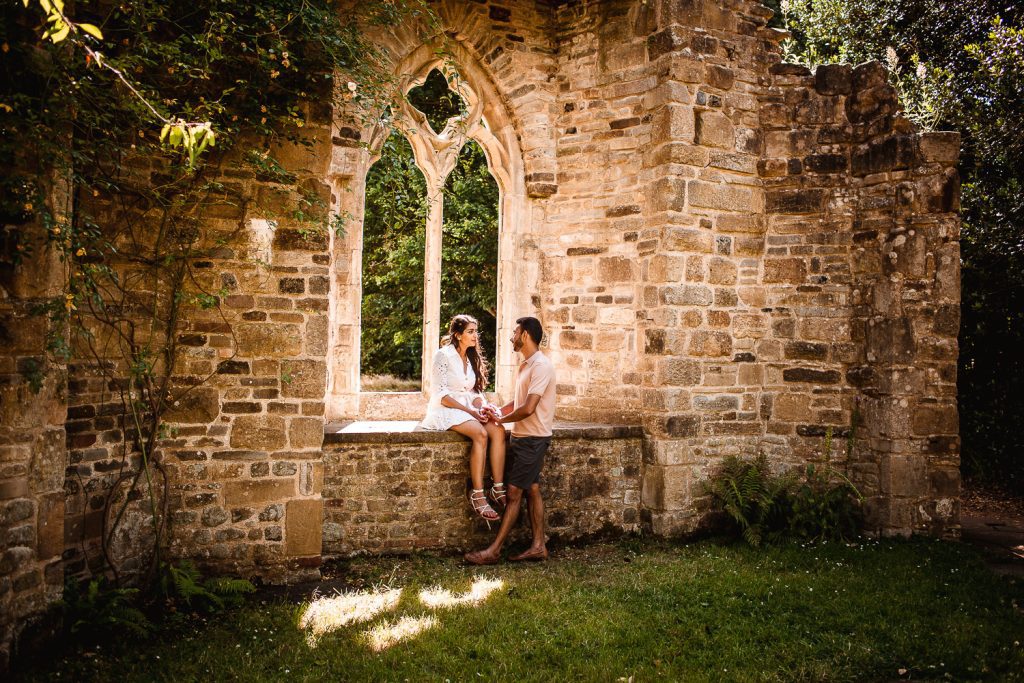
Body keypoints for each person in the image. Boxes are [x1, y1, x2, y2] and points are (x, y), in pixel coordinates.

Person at [465, 316, 556, 565]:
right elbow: (517, 404)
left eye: (515, 332)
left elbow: (528, 409)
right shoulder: (525, 365)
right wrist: (498, 412)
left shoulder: (541, 366)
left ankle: (493, 550)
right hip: (521, 437)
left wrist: (501, 422)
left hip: (534, 439)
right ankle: (538, 546)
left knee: (514, 493)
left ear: (525, 335)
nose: (512, 336)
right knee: (532, 489)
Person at [420, 314, 507, 525]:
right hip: (445, 409)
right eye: (470, 331)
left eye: (475, 331)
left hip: (467, 408)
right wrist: (471, 412)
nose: (475, 335)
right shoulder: (442, 355)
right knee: (480, 433)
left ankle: (497, 487)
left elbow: (474, 393)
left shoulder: (469, 358)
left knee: (497, 429)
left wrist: (484, 407)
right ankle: (478, 495)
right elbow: (441, 395)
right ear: (458, 335)